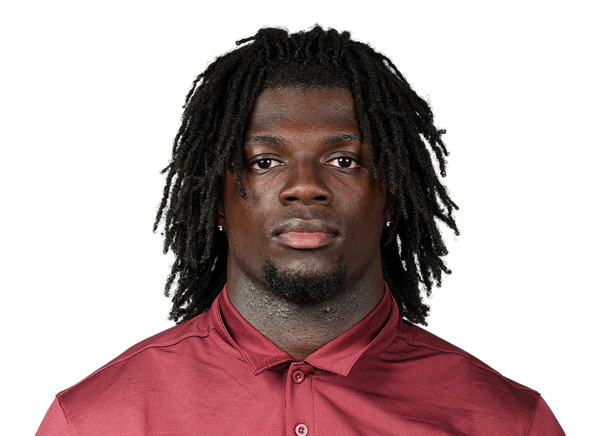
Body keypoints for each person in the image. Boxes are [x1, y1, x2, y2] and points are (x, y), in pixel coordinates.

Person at [37, 24, 566, 435]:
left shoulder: (508, 423)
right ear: (216, 202)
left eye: (344, 160)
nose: (305, 187)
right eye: (265, 162)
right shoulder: (93, 420)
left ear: (392, 197)